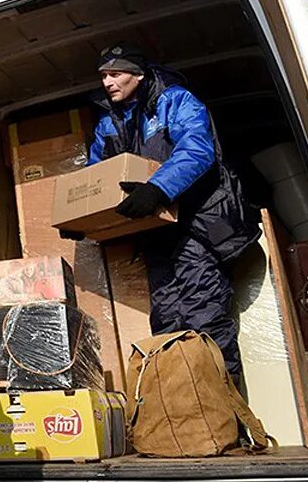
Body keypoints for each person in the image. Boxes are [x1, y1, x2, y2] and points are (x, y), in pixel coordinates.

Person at [83, 42, 260, 378]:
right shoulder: (109, 123)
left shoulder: (175, 102)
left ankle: (223, 423)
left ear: (137, 74)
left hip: (198, 228)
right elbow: (96, 178)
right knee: (166, 324)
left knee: (203, 322)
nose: (107, 82)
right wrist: (86, 220)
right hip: (156, 236)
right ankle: (182, 422)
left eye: (115, 73)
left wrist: (158, 188)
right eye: (103, 75)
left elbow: (197, 150)